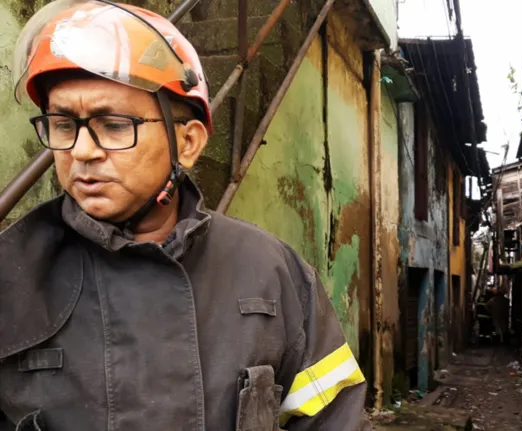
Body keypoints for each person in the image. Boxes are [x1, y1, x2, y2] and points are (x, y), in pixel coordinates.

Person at [0, 1, 370, 430]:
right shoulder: (11, 274)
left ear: (188, 143)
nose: (82, 151)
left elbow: (334, 420)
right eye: (64, 124)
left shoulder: (273, 274)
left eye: (114, 124)